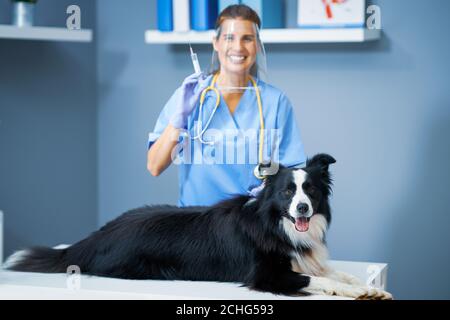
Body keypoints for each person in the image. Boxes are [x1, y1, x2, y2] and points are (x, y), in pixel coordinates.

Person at [147, 4, 306, 207]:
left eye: (247, 38)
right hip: (195, 224)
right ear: (216, 43)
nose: (238, 47)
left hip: (249, 223)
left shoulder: (275, 102)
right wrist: (178, 120)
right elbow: (154, 165)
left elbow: (294, 173)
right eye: (229, 38)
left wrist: (271, 190)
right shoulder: (190, 97)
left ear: (257, 45)